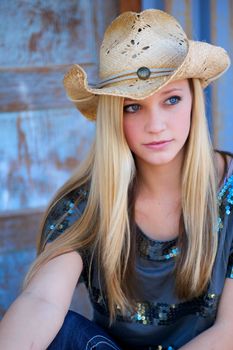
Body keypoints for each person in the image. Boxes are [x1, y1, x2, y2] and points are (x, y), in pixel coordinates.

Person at [0, 8, 233, 350]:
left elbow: (229, 332)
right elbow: (42, 302)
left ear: (194, 102)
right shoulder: (85, 205)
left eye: (171, 99)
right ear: (113, 117)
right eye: (132, 107)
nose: (156, 125)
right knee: (60, 328)